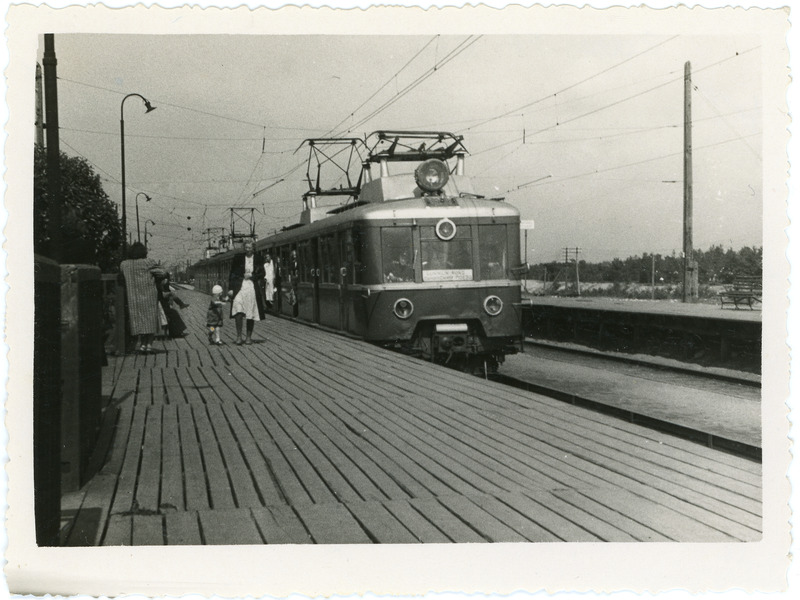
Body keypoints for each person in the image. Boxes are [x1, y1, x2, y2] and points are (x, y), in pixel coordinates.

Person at [118, 241, 165, 354]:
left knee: (138, 321)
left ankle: (142, 345)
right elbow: (163, 273)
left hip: (133, 298)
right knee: (150, 320)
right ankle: (148, 345)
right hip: (148, 296)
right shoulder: (148, 262)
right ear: (144, 252)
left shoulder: (124, 264)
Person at [228, 240, 266, 345]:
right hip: (239, 287)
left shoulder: (258, 258)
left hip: (251, 287)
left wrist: (252, 276)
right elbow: (232, 273)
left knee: (250, 311)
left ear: (253, 248)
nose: (247, 250)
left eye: (249, 248)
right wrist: (230, 288)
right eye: (246, 247)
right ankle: (239, 336)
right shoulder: (238, 258)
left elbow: (262, 274)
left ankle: (248, 337)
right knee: (238, 309)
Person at [157, 272, 188, 338]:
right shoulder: (158, 286)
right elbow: (161, 296)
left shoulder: (159, 286)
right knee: (173, 313)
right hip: (159, 306)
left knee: (173, 312)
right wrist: (169, 294)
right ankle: (177, 332)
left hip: (161, 305)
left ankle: (176, 332)